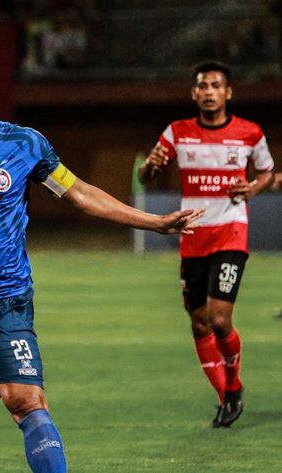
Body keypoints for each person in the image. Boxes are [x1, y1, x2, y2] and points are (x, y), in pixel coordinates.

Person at [0, 53, 203, 473]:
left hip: (2, 304)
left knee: (26, 401)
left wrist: (154, 222)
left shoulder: (24, 144)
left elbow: (78, 193)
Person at [138, 61, 275, 428]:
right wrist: (150, 166)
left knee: (218, 318)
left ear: (228, 92)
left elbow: (267, 174)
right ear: (194, 93)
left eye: (216, 85)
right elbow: (146, 175)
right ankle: (227, 394)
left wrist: (253, 187)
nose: (209, 91)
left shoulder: (249, 133)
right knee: (199, 323)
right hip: (193, 236)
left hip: (231, 231)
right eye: (203, 86)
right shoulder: (177, 132)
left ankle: (231, 387)